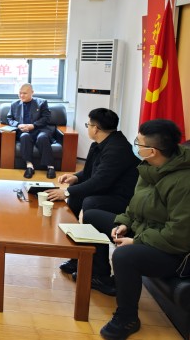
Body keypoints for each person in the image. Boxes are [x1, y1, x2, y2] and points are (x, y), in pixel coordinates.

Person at [79, 119, 190, 340]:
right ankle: (101, 276)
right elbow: (134, 204)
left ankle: (127, 317)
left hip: (172, 252)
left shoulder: (184, 183)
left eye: (138, 143)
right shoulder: (149, 167)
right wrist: (124, 223)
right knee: (92, 215)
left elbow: (179, 235)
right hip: (146, 232)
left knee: (124, 256)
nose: (135, 146)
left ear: (152, 151)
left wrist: (137, 241)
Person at [47, 108, 140, 275]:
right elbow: (90, 172)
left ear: (96, 128)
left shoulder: (117, 149)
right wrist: (75, 177)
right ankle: (77, 253)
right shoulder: (99, 144)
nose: (88, 128)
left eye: (88, 125)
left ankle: (96, 264)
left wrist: (66, 192)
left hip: (122, 198)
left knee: (89, 202)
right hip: (108, 190)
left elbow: (100, 181)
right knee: (77, 197)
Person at [6, 83, 56, 179]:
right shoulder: (14, 104)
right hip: (24, 131)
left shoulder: (42, 102)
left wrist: (33, 125)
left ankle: (50, 167)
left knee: (42, 138)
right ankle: (29, 166)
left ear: (32, 92)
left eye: (24, 93)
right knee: (24, 136)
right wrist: (18, 125)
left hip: (40, 129)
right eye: (20, 93)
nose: (21, 95)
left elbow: (46, 118)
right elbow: (9, 119)